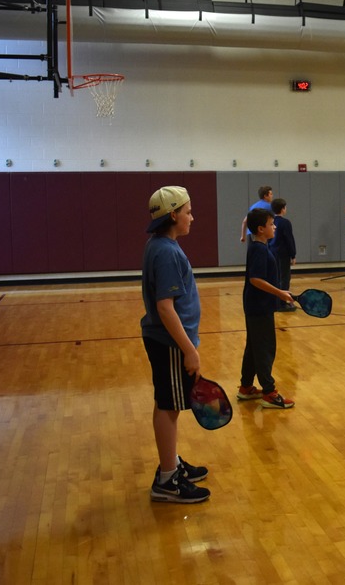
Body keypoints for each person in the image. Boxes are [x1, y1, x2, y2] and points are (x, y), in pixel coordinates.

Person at [140, 185, 211, 503]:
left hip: (168, 342)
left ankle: (171, 463)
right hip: (170, 343)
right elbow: (165, 307)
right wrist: (189, 349)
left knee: (166, 403)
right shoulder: (166, 252)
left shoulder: (159, 245)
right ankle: (167, 479)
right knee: (168, 406)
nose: (192, 217)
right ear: (173, 215)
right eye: (188, 211)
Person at [240, 207, 296, 409]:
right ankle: (269, 393)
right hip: (259, 307)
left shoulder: (259, 247)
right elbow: (255, 279)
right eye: (271, 224)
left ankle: (246, 387)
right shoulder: (258, 249)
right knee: (265, 348)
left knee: (254, 348)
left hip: (256, 306)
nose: (274, 227)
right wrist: (280, 293)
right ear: (261, 229)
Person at [269, 198, 297, 312]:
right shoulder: (285, 223)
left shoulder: (270, 221)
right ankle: (281, 302)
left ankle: (274, 300)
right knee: (284, 278)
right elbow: (289, 239)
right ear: (283, 209)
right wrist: (293, 254)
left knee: (274, 277)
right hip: (283, 254)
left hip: (272, 252)